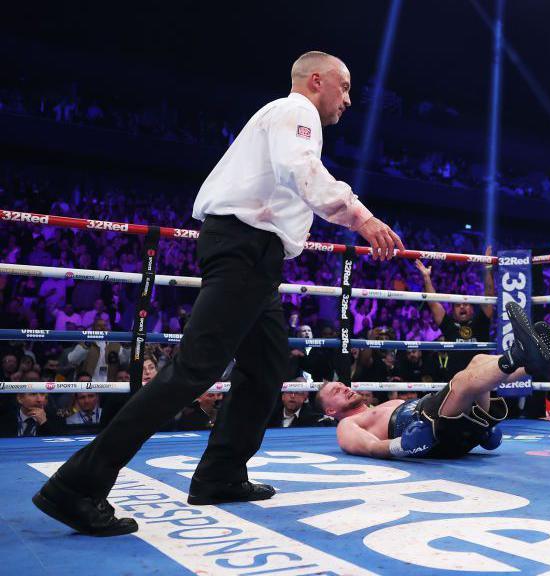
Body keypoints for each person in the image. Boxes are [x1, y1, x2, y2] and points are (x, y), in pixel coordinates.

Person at [33, 50, 405, 536]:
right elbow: (303, 170)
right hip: (244, 248)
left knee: (268, 364)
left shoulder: (281, 117)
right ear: (317, 81)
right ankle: (78, 485)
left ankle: (221, 474)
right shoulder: (297, 112)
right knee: (193, 371)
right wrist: (361, 216)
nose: (349, 101)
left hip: (256, 256)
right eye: (345, 88)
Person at [319, 303, 550, 459]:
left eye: (342, 385)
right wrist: (402, 446)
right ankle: (520, 356)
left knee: (478, 360)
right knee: (461, 383)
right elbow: (372, 447)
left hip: (441, 420)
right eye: (336, 391)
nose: (344, 387)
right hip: (430, 429)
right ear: (330, 410)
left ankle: (533, 365)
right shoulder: (346, 427)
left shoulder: (373, 408)